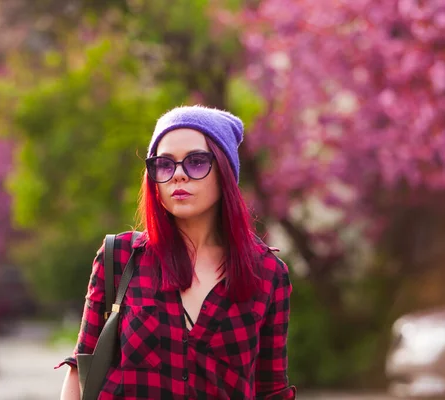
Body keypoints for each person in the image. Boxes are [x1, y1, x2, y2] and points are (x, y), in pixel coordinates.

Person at [58, 105, 296, 399]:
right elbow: (82, 368)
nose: (178, 176)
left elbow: (271, 390)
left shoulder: (268, 274)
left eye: (196, 162)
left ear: (224, 171)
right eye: (165, 164)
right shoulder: (119, 258)